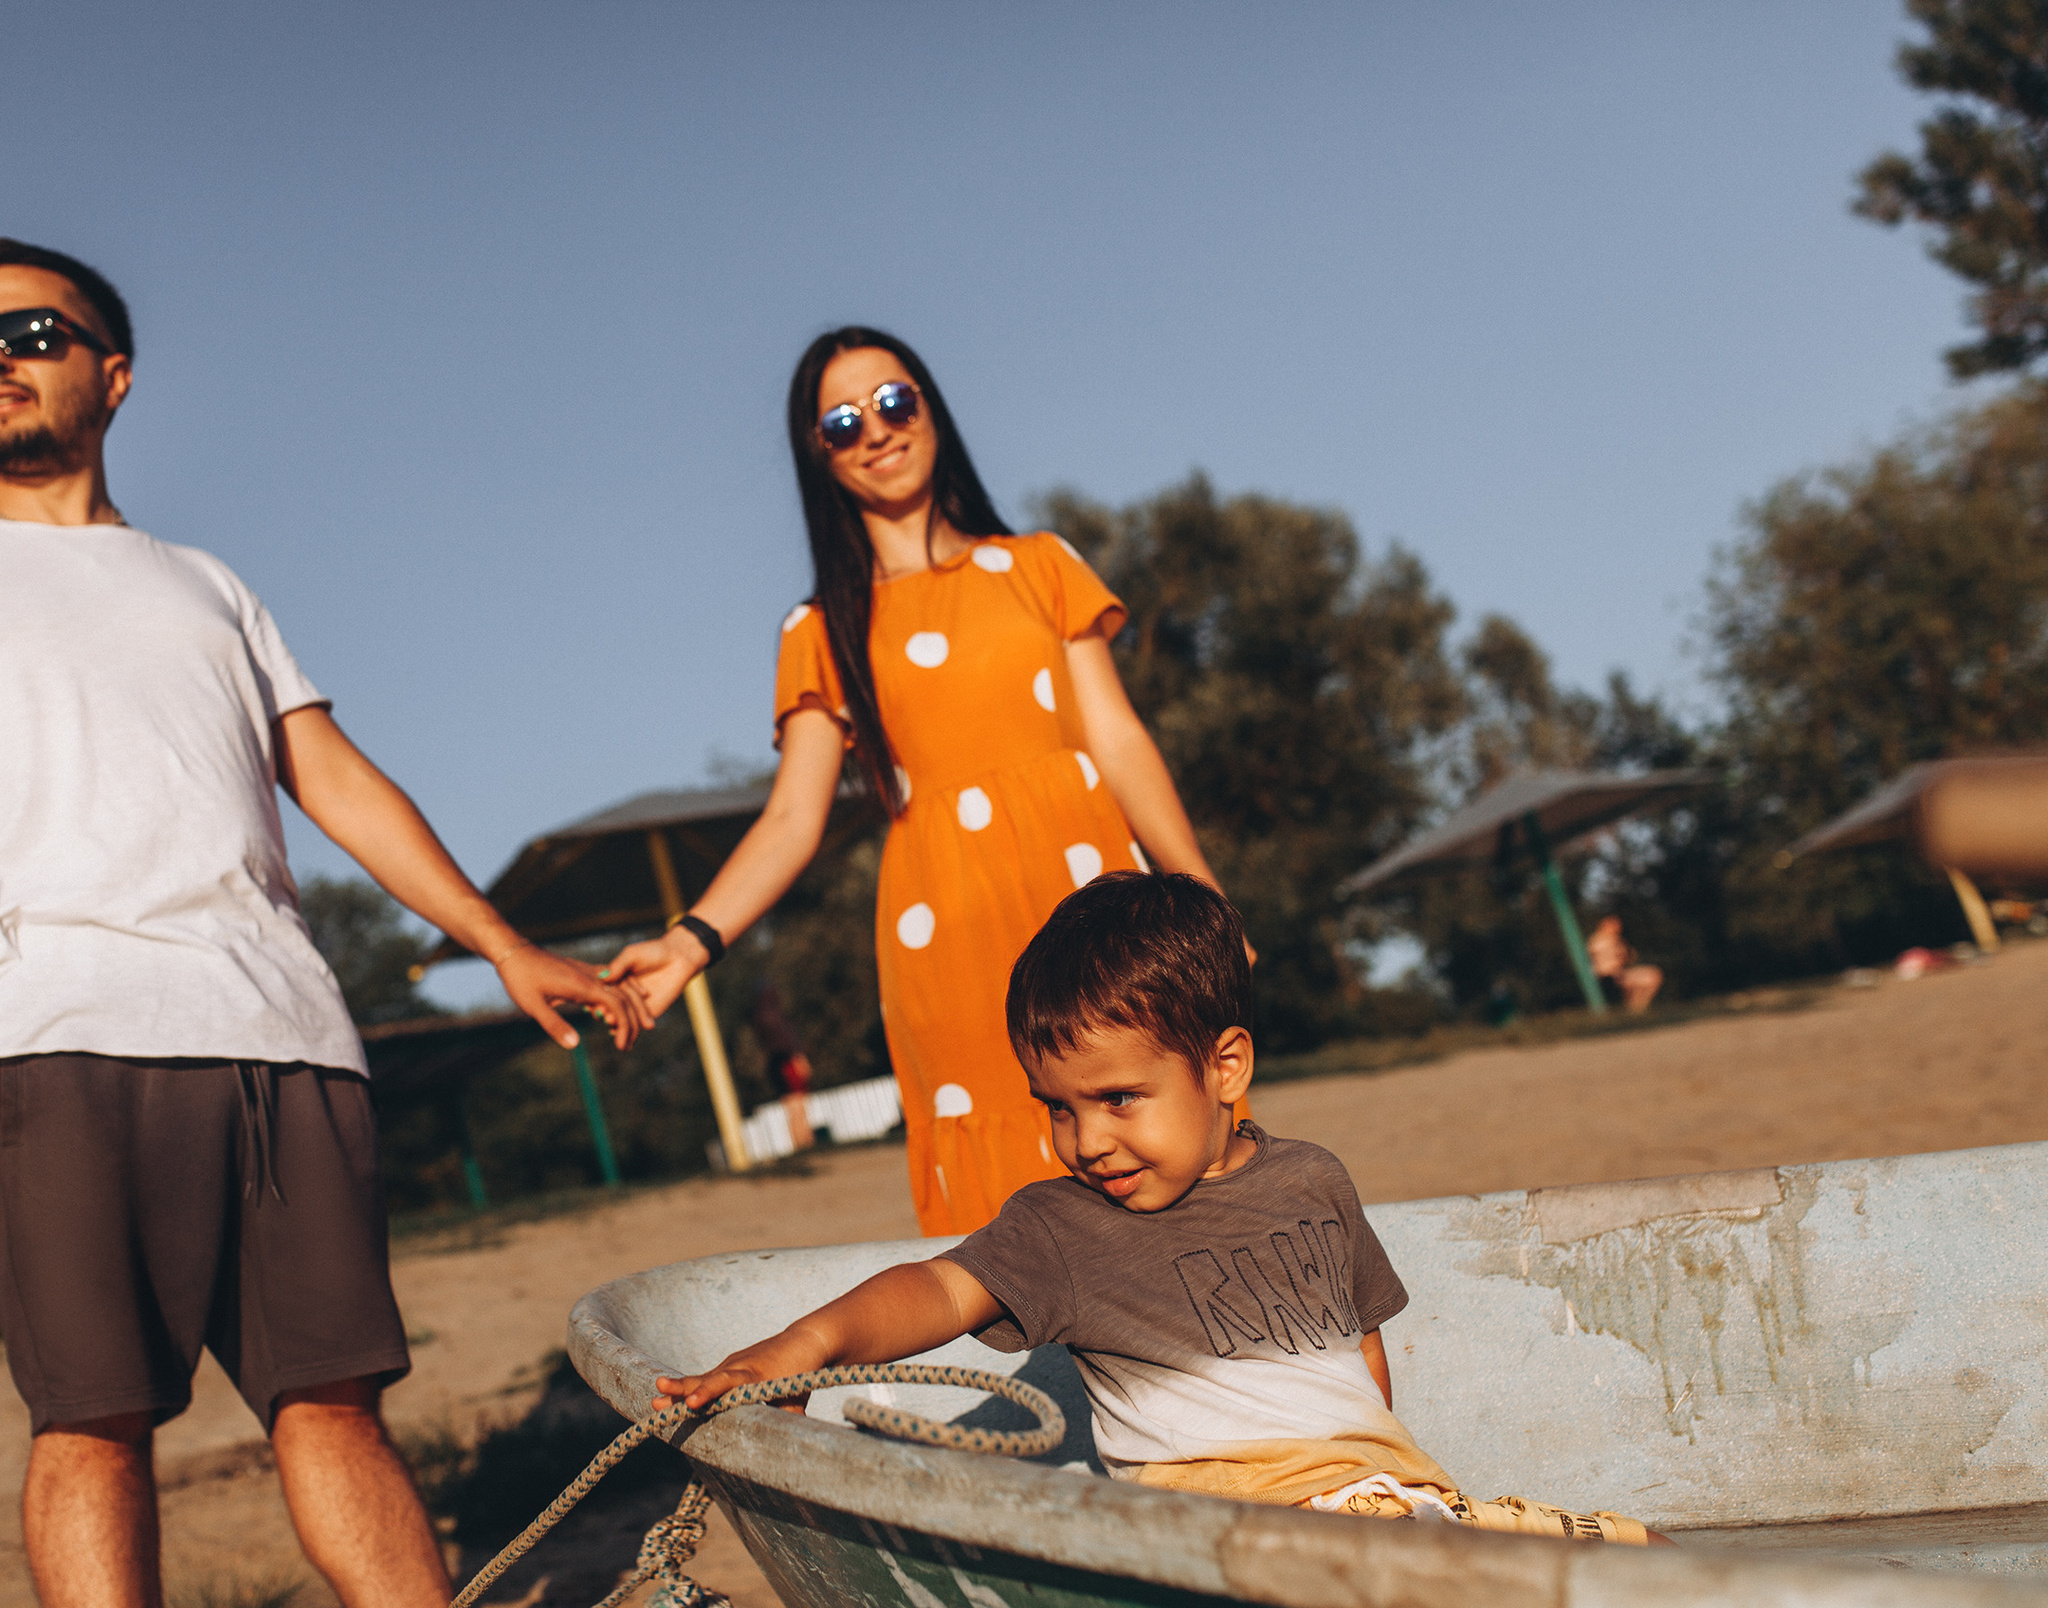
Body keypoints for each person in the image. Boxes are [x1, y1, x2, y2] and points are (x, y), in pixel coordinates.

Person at [0, 237, 644, 1608]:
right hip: (51, 1043)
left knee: (338, 1410)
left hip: (283, 1037)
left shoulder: (208, 584)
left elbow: (335, 779)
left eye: (31, 334)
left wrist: (500, 943)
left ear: (111, 373)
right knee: (94, 1419)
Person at [657, 873, 1659, 1546]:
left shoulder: (1313, 1180)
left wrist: (1375, 1471)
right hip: (1216, 1525)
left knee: (1630, 1557)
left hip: (1382, 1494)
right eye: (1058, 1109)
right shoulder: (1067, 1226)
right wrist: (804, 1345)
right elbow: (933, 1289)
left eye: (1118, 1101)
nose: (1087, 1141)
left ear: (1224, 1068)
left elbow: (1358, 1354)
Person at [604, 327, 1241, 1236]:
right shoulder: (820, 627)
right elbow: (792, 818)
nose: (876, 430)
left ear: (932, 410)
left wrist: (1202, 897)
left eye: (895, 402)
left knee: (1163, 1133)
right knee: (1015, 1202)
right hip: (946, 924)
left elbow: (1121, 740)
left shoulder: (1040, 566)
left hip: (1095, 890)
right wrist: (690, 942)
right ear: (817, 457)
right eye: (841, 422)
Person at [749, 977, 815, 1154]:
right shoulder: (774, 1015)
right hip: (787, 1062)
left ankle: (799, 1145)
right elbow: (788, 1041)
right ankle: (805, 1143)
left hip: (774, 1063)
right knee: (799, 1107)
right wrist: (799, 1058)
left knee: (791, 1108)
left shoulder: (758, 1017)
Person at [1587, 914, 1664, 1014]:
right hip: (1607, 976)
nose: (1618, 928)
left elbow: (1629, 957)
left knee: (1653, 975)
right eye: (1614, 925)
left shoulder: (1617, 940)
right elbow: (1603, 963)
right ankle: (1634, 1010)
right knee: (1647, 978)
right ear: (1605, 925)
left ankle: (1636, 1009)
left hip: (1619, 973)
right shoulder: (1598, 941)